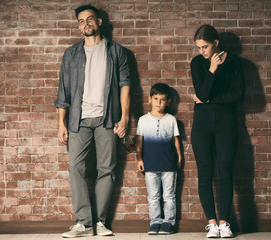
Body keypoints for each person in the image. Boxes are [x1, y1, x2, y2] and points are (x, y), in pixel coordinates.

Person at [54, 4, 130, 238]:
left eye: (89, 19)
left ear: (99, 22)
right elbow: (63, 91)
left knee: (106, 169)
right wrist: (61, 123)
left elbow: (125, 85)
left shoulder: (117, 52)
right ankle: (84, 223)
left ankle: (100, 222)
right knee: (75, 167)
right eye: (80, 21)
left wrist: (125, 117)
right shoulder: (71, 54)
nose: (85, 24)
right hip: (78, 119)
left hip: (107, 119)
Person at [190, 25, 245, 238]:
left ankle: (224, 223)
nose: (201, 51)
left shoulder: (234, 62)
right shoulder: (197, 63)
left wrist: (210, 99)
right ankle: (212, 224)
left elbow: (238, 95)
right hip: (201, 124)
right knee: (205, 171)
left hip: (226, 123)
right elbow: (201, 91)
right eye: (198, 47)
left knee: (224, 170)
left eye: (205, 47)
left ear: (216, 43)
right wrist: (212, 69)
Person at [136, 83, 182, 235]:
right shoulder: (142, 120)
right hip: (150, 163)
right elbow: (139, 142)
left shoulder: (171, 120)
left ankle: (169, 222)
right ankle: (155, 221)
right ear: (150, 99)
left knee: (169, 196)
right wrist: (139, 159)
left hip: (169, 164)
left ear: (168, 101)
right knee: (153, 196)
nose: (158, 102)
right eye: (156, 99)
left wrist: (179, 157)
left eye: (162, 99)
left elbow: (176, 140)